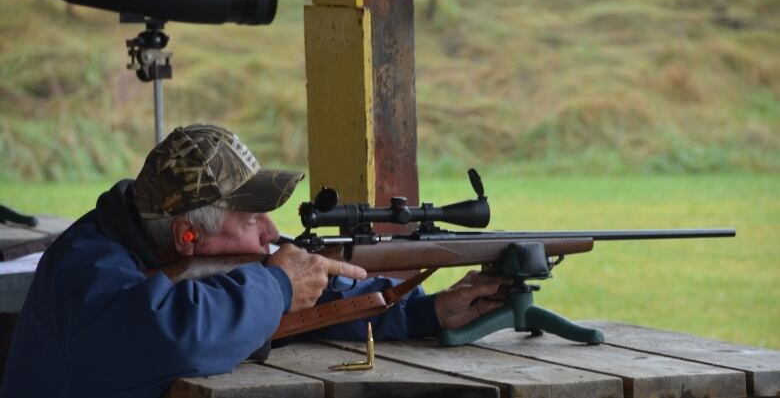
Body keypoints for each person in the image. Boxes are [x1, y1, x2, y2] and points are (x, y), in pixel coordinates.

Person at [0, 124, 507, 398]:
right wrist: (278, 287)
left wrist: (425, 312)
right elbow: (178, 331)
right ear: (188, 235)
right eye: (251, 220)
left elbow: (309, 294)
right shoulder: (85, 274)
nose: (270, 232)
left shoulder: (137, 244)